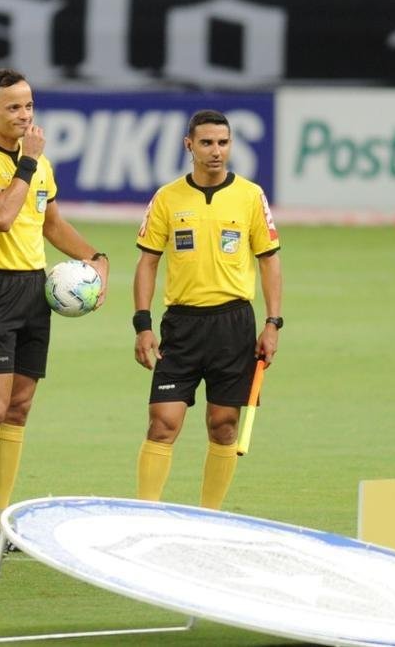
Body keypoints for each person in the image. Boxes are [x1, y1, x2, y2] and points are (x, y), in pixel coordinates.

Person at [0, 68, 110, 555]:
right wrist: (26, 163)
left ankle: (5, 521)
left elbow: (51, 222)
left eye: (29, 105)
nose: (24, 115)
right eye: (14, 107)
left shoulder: (40, 164)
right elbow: (1, 216)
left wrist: (95, 257)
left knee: (19, 408)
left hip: (34, 290)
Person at [132, 109, 282, 510]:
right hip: (181, 326)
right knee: (162, 423)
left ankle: (209, 518)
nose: (216, 151)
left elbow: (269, 261)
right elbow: (148, 262)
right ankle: (145, 514)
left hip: (233, 325)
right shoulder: (167, 197)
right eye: (207, 143)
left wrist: (272, 323)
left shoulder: (250, 196)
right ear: (189, 145)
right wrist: (143, 324)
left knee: (224, 425)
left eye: (223, 142)